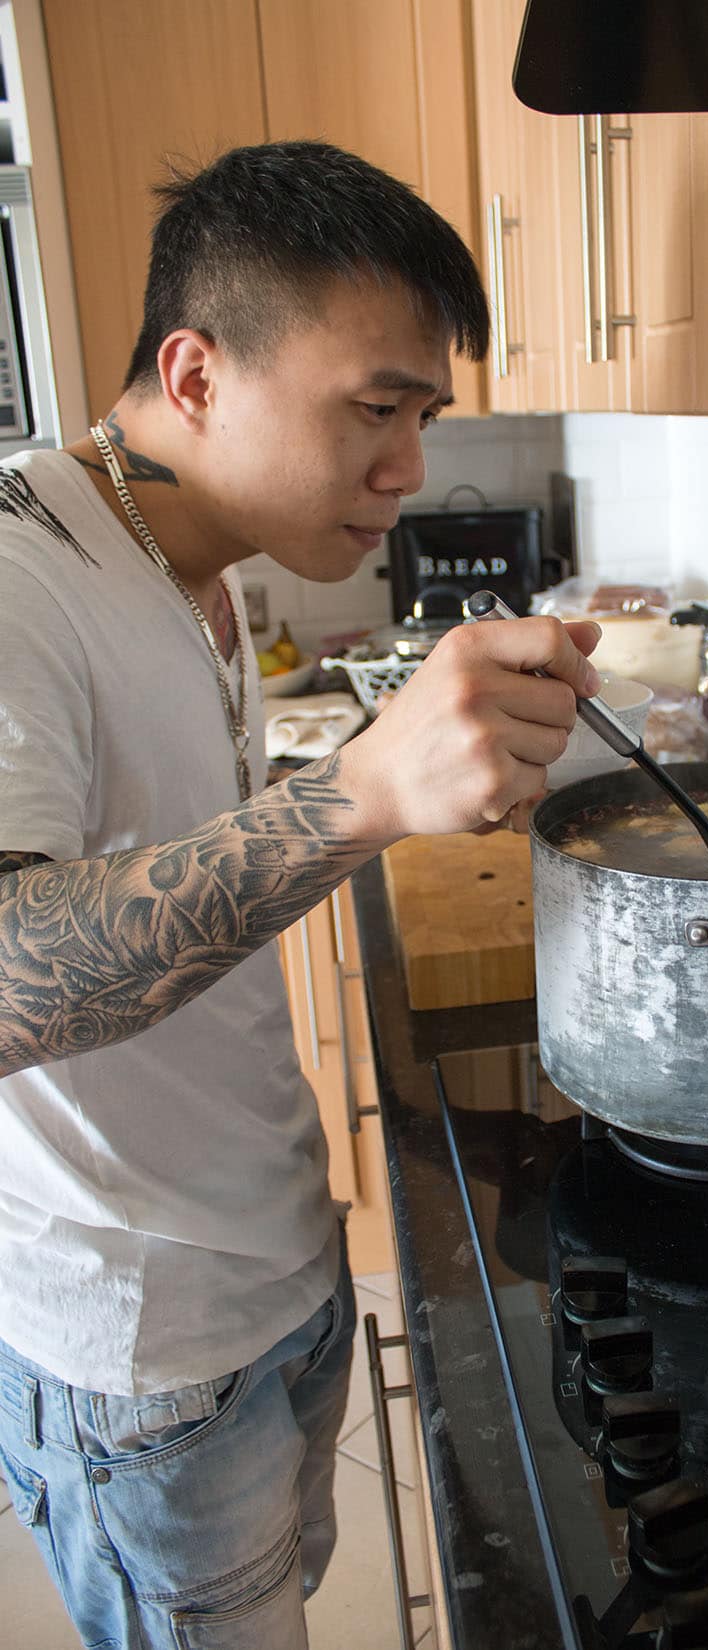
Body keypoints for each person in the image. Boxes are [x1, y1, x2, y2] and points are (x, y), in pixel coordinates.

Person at [0, 140, 600, 1649]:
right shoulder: (21, 572)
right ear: (195, 375)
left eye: (424, 415)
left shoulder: (189, 559)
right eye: (374, 409)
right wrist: (366, 792)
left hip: (268, 1258)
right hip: (145, 1346)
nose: (408, 465)